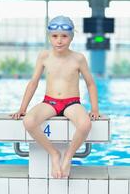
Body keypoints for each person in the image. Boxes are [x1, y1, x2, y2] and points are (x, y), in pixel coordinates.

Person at [11, 16, 99, 179]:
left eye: (64, 36)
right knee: (28, 121)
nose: (59, 40)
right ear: (49, 37)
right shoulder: (44, 56)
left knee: (85, 124)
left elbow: (90, 84)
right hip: (49, 102)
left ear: (71, 37)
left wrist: (94, 109)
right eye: (55, 36)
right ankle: (54, 153)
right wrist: (22, 108)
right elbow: (33, 82)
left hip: (71, 103)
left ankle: (68, 156)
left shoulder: (78, 58)